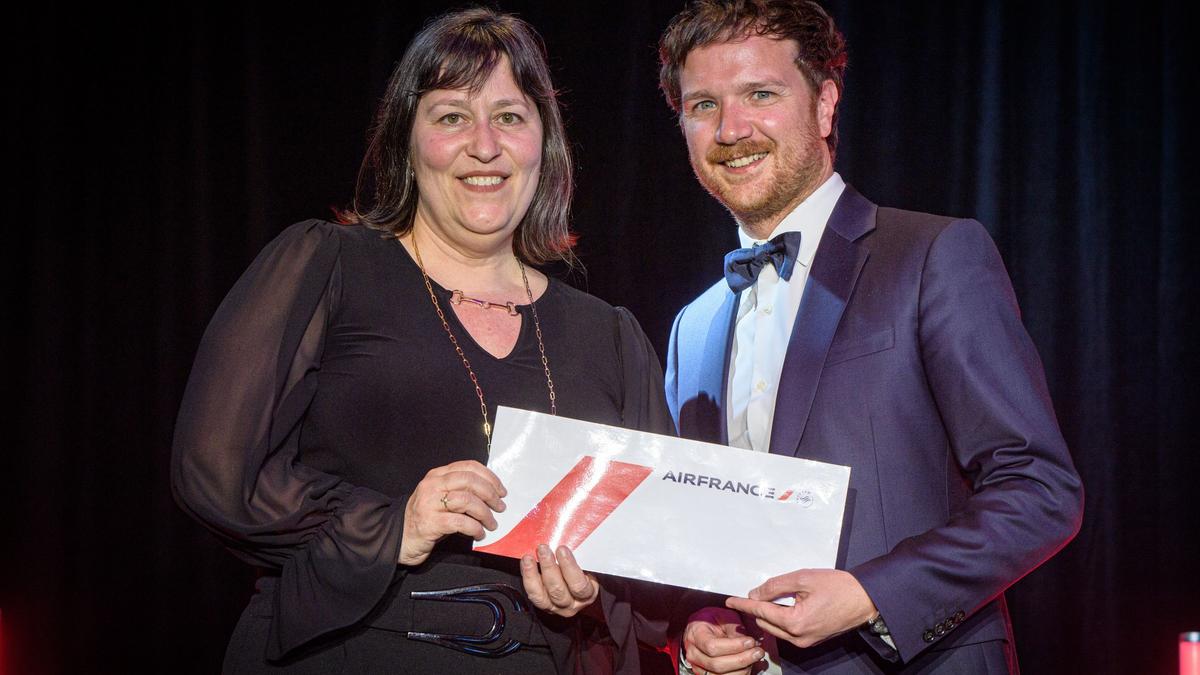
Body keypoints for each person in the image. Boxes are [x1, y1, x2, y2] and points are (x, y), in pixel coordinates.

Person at [171, 8, 672, 673]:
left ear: (545, 145)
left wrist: (592, 593)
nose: (484, 145)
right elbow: (214, 472)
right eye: (452, 116)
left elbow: (657, 560)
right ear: (406, 143)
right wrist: (391, 525)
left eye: (510, 116)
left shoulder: (608, 335)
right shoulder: (330, 268)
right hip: (349, 652)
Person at [657, 1, 1084, 673]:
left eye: (761, 95)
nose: (731, 129)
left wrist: (871, 594)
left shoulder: (933, 255)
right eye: (703, 105)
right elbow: (700, 529)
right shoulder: (693, 327)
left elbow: (1040, 489)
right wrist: (698, 620)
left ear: (825, 105)